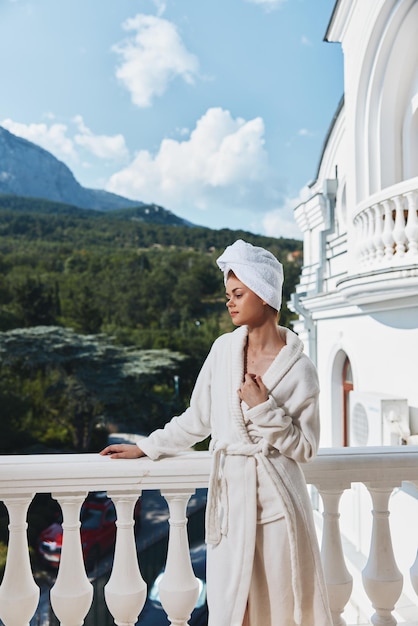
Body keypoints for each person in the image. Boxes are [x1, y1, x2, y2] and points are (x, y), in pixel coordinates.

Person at [100, 239, 332, 626]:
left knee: (278, 609)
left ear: (265, 293)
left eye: (238, 293)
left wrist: (263, 409)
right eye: (228, 294)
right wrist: (147, 447)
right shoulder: (223, 351)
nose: (230, 302)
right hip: (231, 502)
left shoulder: (300, 369)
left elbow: (305, 449)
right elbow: (197, 419)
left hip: (277, 505)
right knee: (230, 608)